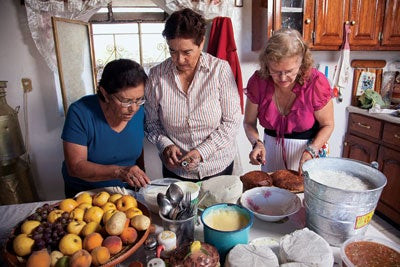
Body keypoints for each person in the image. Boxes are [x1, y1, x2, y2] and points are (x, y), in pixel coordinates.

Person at [145, 8, 241, 181]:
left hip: (217, 166)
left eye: (187, 52)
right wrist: (165, 145)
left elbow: (231, 122)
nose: (179, 59)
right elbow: (151, 123)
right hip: (176, 170)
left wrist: (201, 152)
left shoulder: (220, 70)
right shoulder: (156, 76)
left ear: (201, 42)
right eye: (172, 51)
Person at [243, 28, 334, 173]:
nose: (283, 78)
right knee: (272, 192)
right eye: (276, 71)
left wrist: (312, 150)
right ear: (267, 64)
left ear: (301, 63)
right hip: (270, 153)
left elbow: (328, 124)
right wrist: (256, 143)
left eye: (290, 71)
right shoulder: (258, 82)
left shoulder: (316, 82)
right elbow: (249, 123)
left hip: (308, 153)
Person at [61, 59, 150, 198]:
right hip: (86, 194)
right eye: (126, 101)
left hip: (126, 192)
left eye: (139, 99)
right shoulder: (80, 112)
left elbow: (137, 148)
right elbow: (75, 166)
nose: (133, 108)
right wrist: (120, 172)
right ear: (105, 93)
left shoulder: (139, 111)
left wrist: (140, 175)